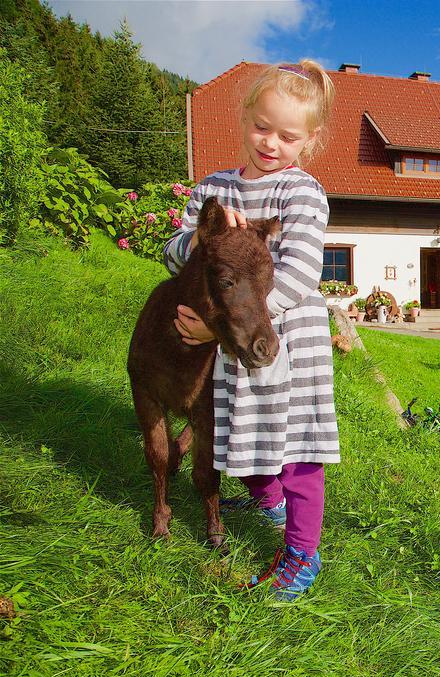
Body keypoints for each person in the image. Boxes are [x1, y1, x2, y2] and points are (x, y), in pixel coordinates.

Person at [162, 60, 338, 601]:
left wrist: (221, 332)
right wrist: (196, 243)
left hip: (288, 341)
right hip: (231, 346)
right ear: (243, 118)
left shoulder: (301, 194)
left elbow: (301, 275)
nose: (271, 143)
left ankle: (301, 556)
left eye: (288, 136)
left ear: (309, 141)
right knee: (232, 436)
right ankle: (267, 501)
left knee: (297, 451)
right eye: (263, 127)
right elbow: (172, 257)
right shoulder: (213, 190)